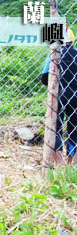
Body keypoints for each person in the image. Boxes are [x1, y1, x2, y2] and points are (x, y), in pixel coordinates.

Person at [41, 26, 77, 164]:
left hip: (58, 95)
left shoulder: (53, 55)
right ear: (72, 42)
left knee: (55, 128)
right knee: (74, 128)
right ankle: (70, 162)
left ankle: (58, 162)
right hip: (75, 96)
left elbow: (44, 79)